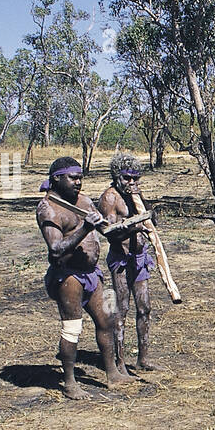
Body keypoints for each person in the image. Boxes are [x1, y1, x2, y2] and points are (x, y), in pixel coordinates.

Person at [36, 156, 130, 400]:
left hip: (92, 274)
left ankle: (112, 373)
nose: (78, 182)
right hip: (67, 277)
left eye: (80, 178)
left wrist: (129, 227)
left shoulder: (85, 201)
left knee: (107, 320)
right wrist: (85, 228)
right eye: (73, 178)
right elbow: (56, 249)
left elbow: (106, 230)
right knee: (72, 329)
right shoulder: (48, 208)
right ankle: (69, 383)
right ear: (57, 178)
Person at [98, 153, 158, 372]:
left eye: (135, 178)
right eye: (126, 178)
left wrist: (142, 200)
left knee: (145, 308)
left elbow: (153, 219)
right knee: (121, 310)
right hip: (121, 261)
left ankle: (143, 359)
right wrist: (135, 226)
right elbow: (109, 233)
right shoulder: (109, 198)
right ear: (116, 176)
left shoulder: (136, 195)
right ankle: (120, 362)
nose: (131, 183)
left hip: (140, 259)